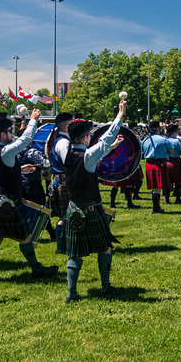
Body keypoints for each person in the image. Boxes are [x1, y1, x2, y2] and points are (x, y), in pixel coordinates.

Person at [0, 110, 58, 286]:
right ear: (2, 134)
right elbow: (25, 140)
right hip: (8, 201)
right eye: (9, 132)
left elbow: (2, 171)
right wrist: (33, 121)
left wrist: (20, 170)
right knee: (25, 237)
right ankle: (36, 269)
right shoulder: (6, 150)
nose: (11, 135)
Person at [61, 102, 126, 303]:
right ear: (85, 137)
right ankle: (105, 287)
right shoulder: (87, 155)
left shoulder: (68, 154)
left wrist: (110, 147)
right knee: (105, 247)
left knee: (75, 253)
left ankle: (72, 294)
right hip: (90, 209)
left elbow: (96, 155)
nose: (92, 137)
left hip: (73, 209)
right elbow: (105, 140)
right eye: (90, 135)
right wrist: (120, 115)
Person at [47, 112, 74, 252]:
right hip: (64, 179)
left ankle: (63, 245)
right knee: (65, 215)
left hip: (62, 179)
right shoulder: (63, 142)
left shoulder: (62, 140)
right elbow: (68, 163)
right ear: (67, 126)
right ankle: (61, 246)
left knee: (67, 214)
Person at [142, 121, 174, 213]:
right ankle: (156, 208)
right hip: (159, 164)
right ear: (157, 129)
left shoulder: (145, 140)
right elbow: (171, 151)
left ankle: (156, 207)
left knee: (155, 187)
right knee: (157, 188)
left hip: (149, 164)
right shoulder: (163, 139)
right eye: (160, 128)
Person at [165, 124, 181, 205]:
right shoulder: (176, 141)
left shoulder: (165, 140)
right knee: (179, 182)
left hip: (166, 162)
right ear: (174, 132)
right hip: (175, 162)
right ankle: (178, 199)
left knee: (167, 182)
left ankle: (167, 200)